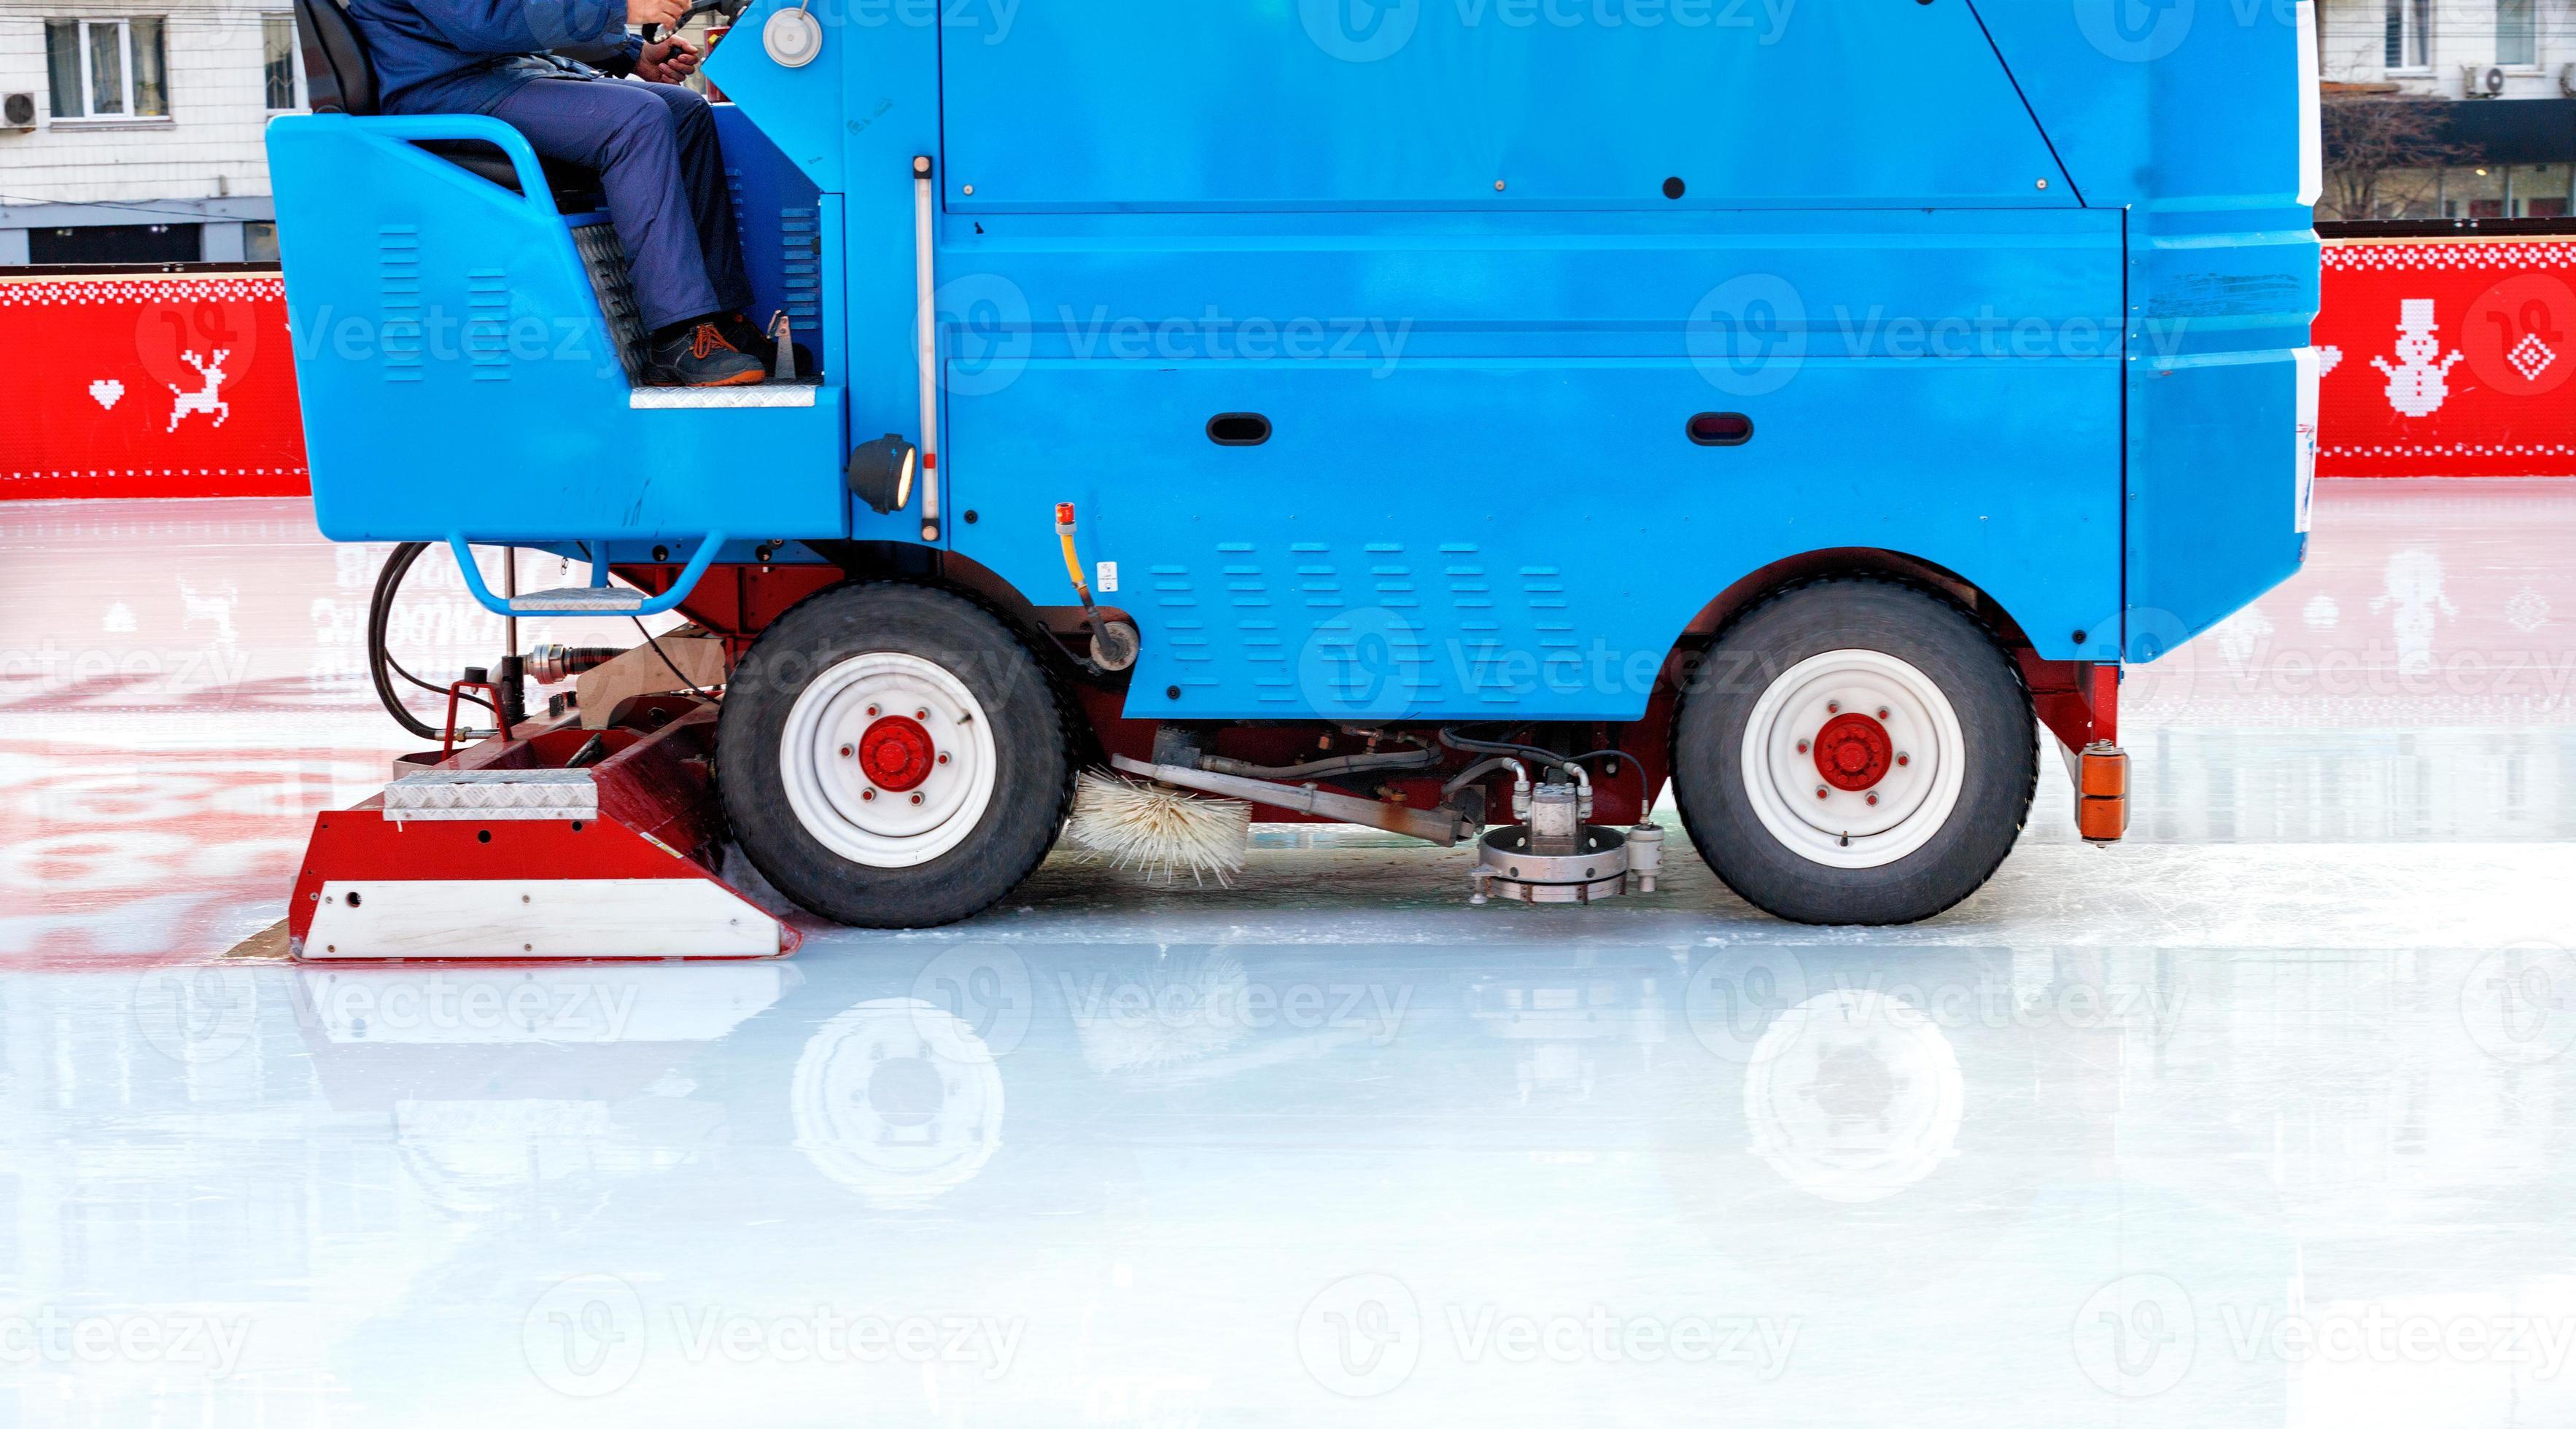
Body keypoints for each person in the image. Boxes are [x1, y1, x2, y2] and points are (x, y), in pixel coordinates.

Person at [345, 0, 772, 386]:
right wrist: (620, 8)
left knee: (685, 111)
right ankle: (677, 335)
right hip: (441, 90)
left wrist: (630, 53)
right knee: (636, 119)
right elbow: (486, 21)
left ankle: (716, 316)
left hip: (495, 74)